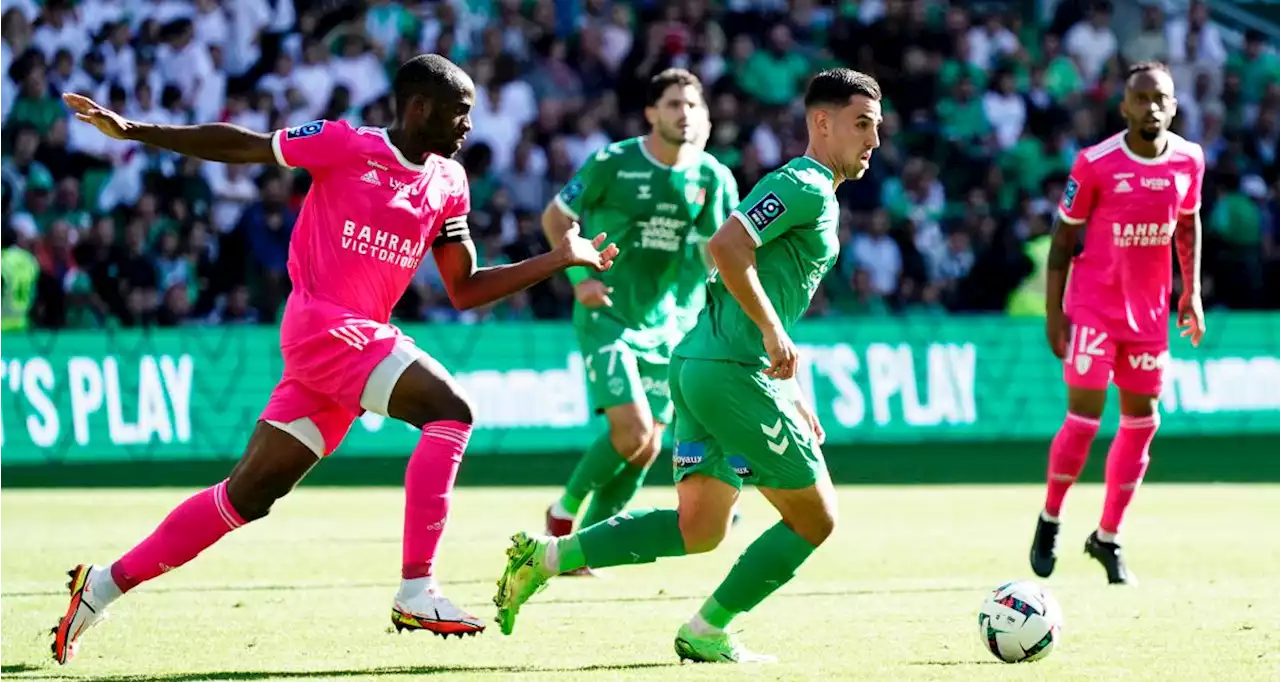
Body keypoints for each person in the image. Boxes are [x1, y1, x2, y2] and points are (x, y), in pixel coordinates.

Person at [51, 54, 617, 665]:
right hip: (322, 325)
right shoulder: (343, 144)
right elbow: (243, 147)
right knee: (450, 411)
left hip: (352, 344)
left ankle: (102, 584)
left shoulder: (450, 183)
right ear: (420, 107)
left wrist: (559, 259)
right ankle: (417, 589)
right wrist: (137, 130)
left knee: (246, 497)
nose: (468, 127)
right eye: (460, 113)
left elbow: (466, 288)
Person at [493, 68, 883, 663]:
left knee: (698, 529)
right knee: (816, 519)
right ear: (821, 123)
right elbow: (728, 247)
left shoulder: (806, 190)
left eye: (876, 127)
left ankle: (545, 557)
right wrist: (772, 336)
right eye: (862, 125)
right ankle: (707, 629)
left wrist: (791, 382)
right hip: (731, 369)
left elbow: (725, 269)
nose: (873, 141)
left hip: (700, 361)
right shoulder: (803, 182)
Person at [540, 69, 736, 574]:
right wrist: (578, 278)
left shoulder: (712, 176)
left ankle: (583, 548)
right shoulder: (614, 161)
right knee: (632, 432)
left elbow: (721, 252)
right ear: (651, 112)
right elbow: (556, 217)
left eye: (692, 106)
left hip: (670, 325)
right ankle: (562, 515)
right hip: (607, 311)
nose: (683, 114)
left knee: (648, 446)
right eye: (673, 104)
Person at [1029, 61, 1205, 585]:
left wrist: (1191, 292)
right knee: (1083, 419)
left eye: (1162, 98)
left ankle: (1108, 536)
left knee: (1142, 422)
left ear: (1174, 106)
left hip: (1149, 315)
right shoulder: (1095, 163)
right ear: (1124, 106)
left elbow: (1188, 226)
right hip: (1094, 308)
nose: (1152, 107)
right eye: (1142, 98)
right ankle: (1051, 518)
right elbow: (1063, 244)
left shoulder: (1190, 160)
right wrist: (1054, 313)